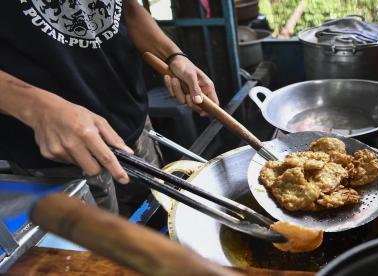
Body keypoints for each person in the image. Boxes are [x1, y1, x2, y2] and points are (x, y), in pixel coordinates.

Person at [0, 0, 219, 214]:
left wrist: (173, 55)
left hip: (133, 118)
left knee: (157, 214)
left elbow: (128, 9)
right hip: (60, 152)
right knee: (102, 248)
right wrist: (38, 108)